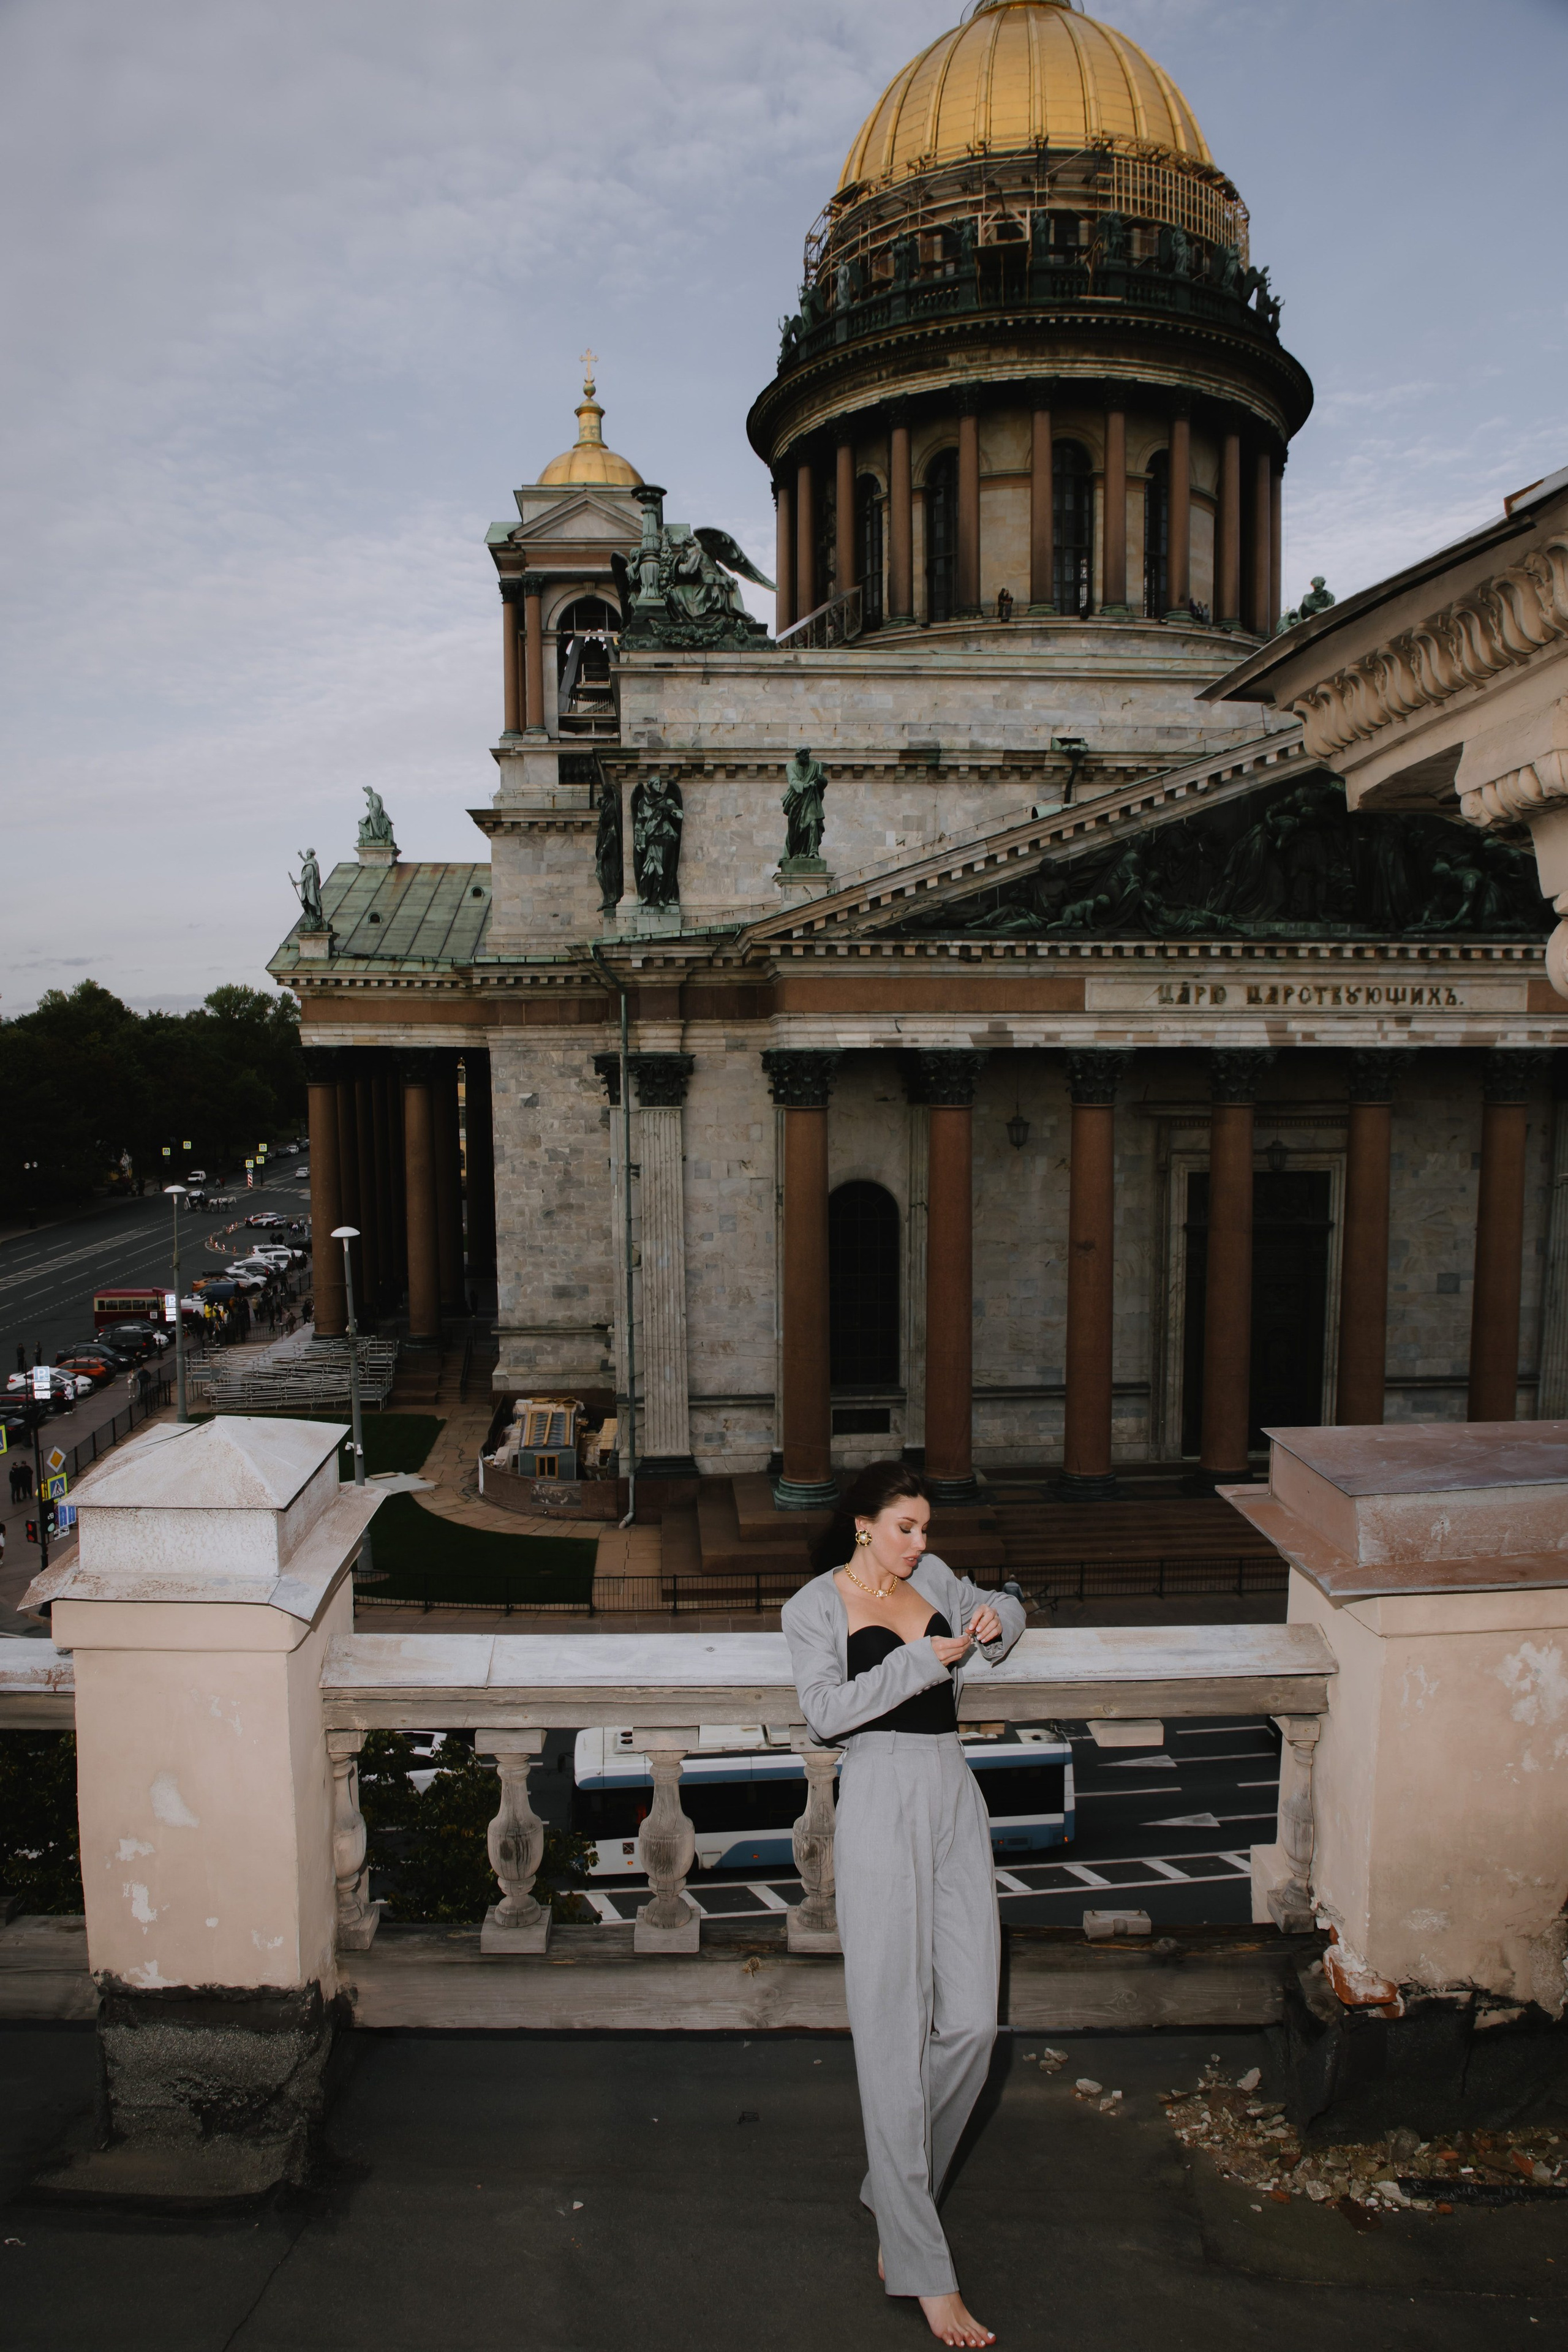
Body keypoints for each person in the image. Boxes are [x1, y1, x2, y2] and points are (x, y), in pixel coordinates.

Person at [782, 1462, 1025, 2347]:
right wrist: (922, 1660)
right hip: (879, 1794)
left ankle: (894, 2184)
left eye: (926, 1527)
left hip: (953, 1793)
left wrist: (1000, 1620)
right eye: (907, 1528)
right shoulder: (813, 1607)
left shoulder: (935, 1580)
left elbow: (1000, 1615)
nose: (923, 1544)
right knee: (891, 2028)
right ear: (862, 1525)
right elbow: (824, 1716)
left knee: (970, 2025)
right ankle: (922, 2267)